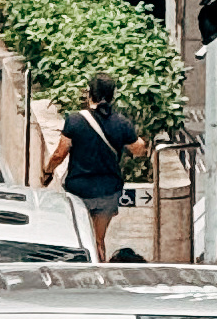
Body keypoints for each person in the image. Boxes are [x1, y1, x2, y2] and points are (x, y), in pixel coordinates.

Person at [42, 70, 145, 260]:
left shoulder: (75, 120)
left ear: (89, 93)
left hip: (78, 192)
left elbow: (59, 154)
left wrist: (47, 172)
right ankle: (100, 275)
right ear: (113, 95)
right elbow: (138, 148)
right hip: (107, 192)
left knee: (76, 241)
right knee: (98, 241)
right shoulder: (121, 123)